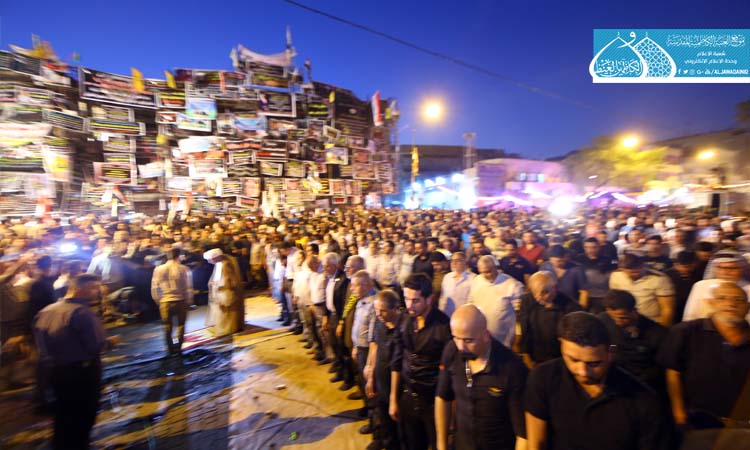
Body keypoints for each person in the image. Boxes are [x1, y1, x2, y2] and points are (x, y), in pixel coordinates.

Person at [525, 312, 671, 450]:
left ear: (611, 353)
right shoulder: (543, 377)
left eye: (594, 363)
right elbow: (536, 443)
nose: (582, 372)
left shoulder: (644, 402)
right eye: (573, 360)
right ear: (561, 344)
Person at [33, 274, 119, 450]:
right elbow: (96, 346)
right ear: (81, 290)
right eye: (94, 288)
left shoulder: (45, 311)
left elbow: (41, 348)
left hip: (55, 373)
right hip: (82, 374)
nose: (98, 292)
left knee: (63, 416)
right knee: (82, 417)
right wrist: (111, 342)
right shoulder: (82, 313)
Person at [657, 281, 750, 430]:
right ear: (711, 303)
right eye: (722, 298)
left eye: (738, 300)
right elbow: (673, 372)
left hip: (743, 424)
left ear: (747, 307)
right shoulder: (685, 332)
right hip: (697, 420)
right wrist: (678, 411)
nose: (731, 304)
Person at [435, 304, 528, 450]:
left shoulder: (512, 368)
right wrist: (441, 444)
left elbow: (522, 435)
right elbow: (442, 398)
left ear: (486, 335)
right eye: (456, 338)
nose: (460, 347)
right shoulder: (451, 351)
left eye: (468, 341)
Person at [390, 273, 451, 450]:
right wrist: (394, 398)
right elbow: (397, 360)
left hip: (433, 402)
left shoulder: (443, 327)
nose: (409, 305)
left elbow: (451, 373)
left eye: (415, 300)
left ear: (429, 299)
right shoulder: (404, 319)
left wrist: (451, 414)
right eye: (406, 299)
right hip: (408, 396)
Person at [597, 289, 667, 392]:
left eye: (622, 318)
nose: (617, 322)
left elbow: (661, 367)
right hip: (613, 377)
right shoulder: (603, 320)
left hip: (642, 384)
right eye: (613, 317)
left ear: (634, 311)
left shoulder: (656, 333)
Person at [364, 289, 404, 450]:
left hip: (398, 386)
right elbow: (375, 348)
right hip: (381, 382)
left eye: (383, 311)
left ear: (395, 309)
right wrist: (371, 376)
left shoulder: (404, 327)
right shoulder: (379, 323)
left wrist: (393, 398)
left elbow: (397, 365)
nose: (378, 314)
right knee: (384, 419)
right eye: (376, 310)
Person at [518, 271, 581, 366]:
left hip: (559, 359)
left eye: (544, 292)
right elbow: (525, 330)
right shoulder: (527, 301)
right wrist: (526, 355)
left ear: (555, 288)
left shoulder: (571, 307)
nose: (538, 297)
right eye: (535, 292)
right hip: (535, 358)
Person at [467, 255, 524, 348]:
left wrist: (518, 335)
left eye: (488, 271)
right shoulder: (477, 281)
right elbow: (471, 301)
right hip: (481, 334)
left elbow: (520, 312)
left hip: (503, 337)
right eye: (482, 272)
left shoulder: (512, 285)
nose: (485, 275)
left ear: (496, 268)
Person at [609, 253, 675, 327]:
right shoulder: (616, 276)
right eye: (631, 270)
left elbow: (667, 309)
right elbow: (614, 300)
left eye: (638, 268)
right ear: (622, 269)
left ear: (642, 265)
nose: (635, 271)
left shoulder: (660, 279)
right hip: (626, 322)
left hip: (651, 323)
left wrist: (663, 328)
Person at [682, 252, 750, 322]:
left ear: (741, 269)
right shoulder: (701, 286)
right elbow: (689, 315)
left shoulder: (748, 289)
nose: (725, 272)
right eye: (720, 267)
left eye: (732, 268)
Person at [150, 248, 194, 355]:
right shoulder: (184, 269)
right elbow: (188, 287)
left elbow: (155, 287)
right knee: (181, 325)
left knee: (167, 326)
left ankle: (170, 349)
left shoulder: (158, 269)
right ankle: (179, 348)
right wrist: (189, 301)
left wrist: (158, 300)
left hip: (165, 301)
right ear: (179, 256)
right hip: (181, 300)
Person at [204, 248, 244, 337]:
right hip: (220, 290)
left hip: (225, 291)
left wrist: (221, 286)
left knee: (227, 310)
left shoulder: (226, 264)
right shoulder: (219, 264)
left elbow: (230, 280)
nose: (209, 261)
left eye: (210, 259)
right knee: (221, 310)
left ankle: (228, 328)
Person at [539, 245, 589, 309]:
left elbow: (584, 291)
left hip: (571, 305)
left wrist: (582, 309)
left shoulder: (577, 269)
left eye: (560, 261)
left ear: (566, 257)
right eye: (553, 261)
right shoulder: (545, 266)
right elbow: (540, 285)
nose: (557, 263)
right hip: (550, 305)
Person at [575, 237, 616, 313]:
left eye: (593, 247)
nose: (590, 250)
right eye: (587, 247)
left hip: (603, 295)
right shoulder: (579, 259)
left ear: (599, 247)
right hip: (584, 295)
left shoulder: (607, 259)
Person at [438, 251, 476, 317]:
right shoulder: (447, 277)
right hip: (447, 315)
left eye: (457, 260)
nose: (454, 263)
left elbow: (472, 300)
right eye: (452, 261)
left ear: (465, 262)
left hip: (464, 316)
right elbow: (443, 297)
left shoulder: (473, 278)